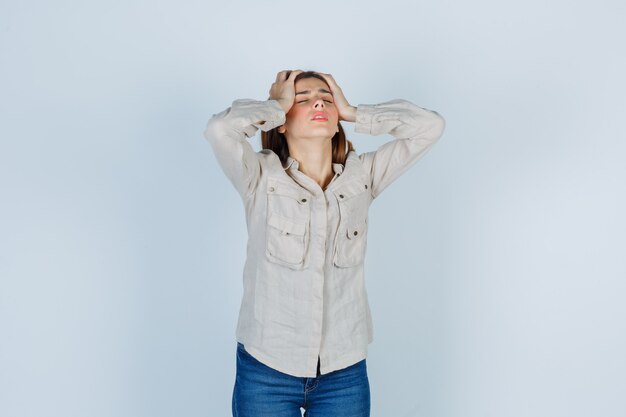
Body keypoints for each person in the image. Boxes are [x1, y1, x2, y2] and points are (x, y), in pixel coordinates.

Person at [203, 69, 445, 417]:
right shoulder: (259, 177)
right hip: (266, 369)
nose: (318, 101)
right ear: (282, 123)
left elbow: (430, 127)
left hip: (343, 373)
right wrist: (275, 106)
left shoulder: (363, 176)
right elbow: (219, 130)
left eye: (326, 98)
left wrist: (354, 112)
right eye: (302, 99)